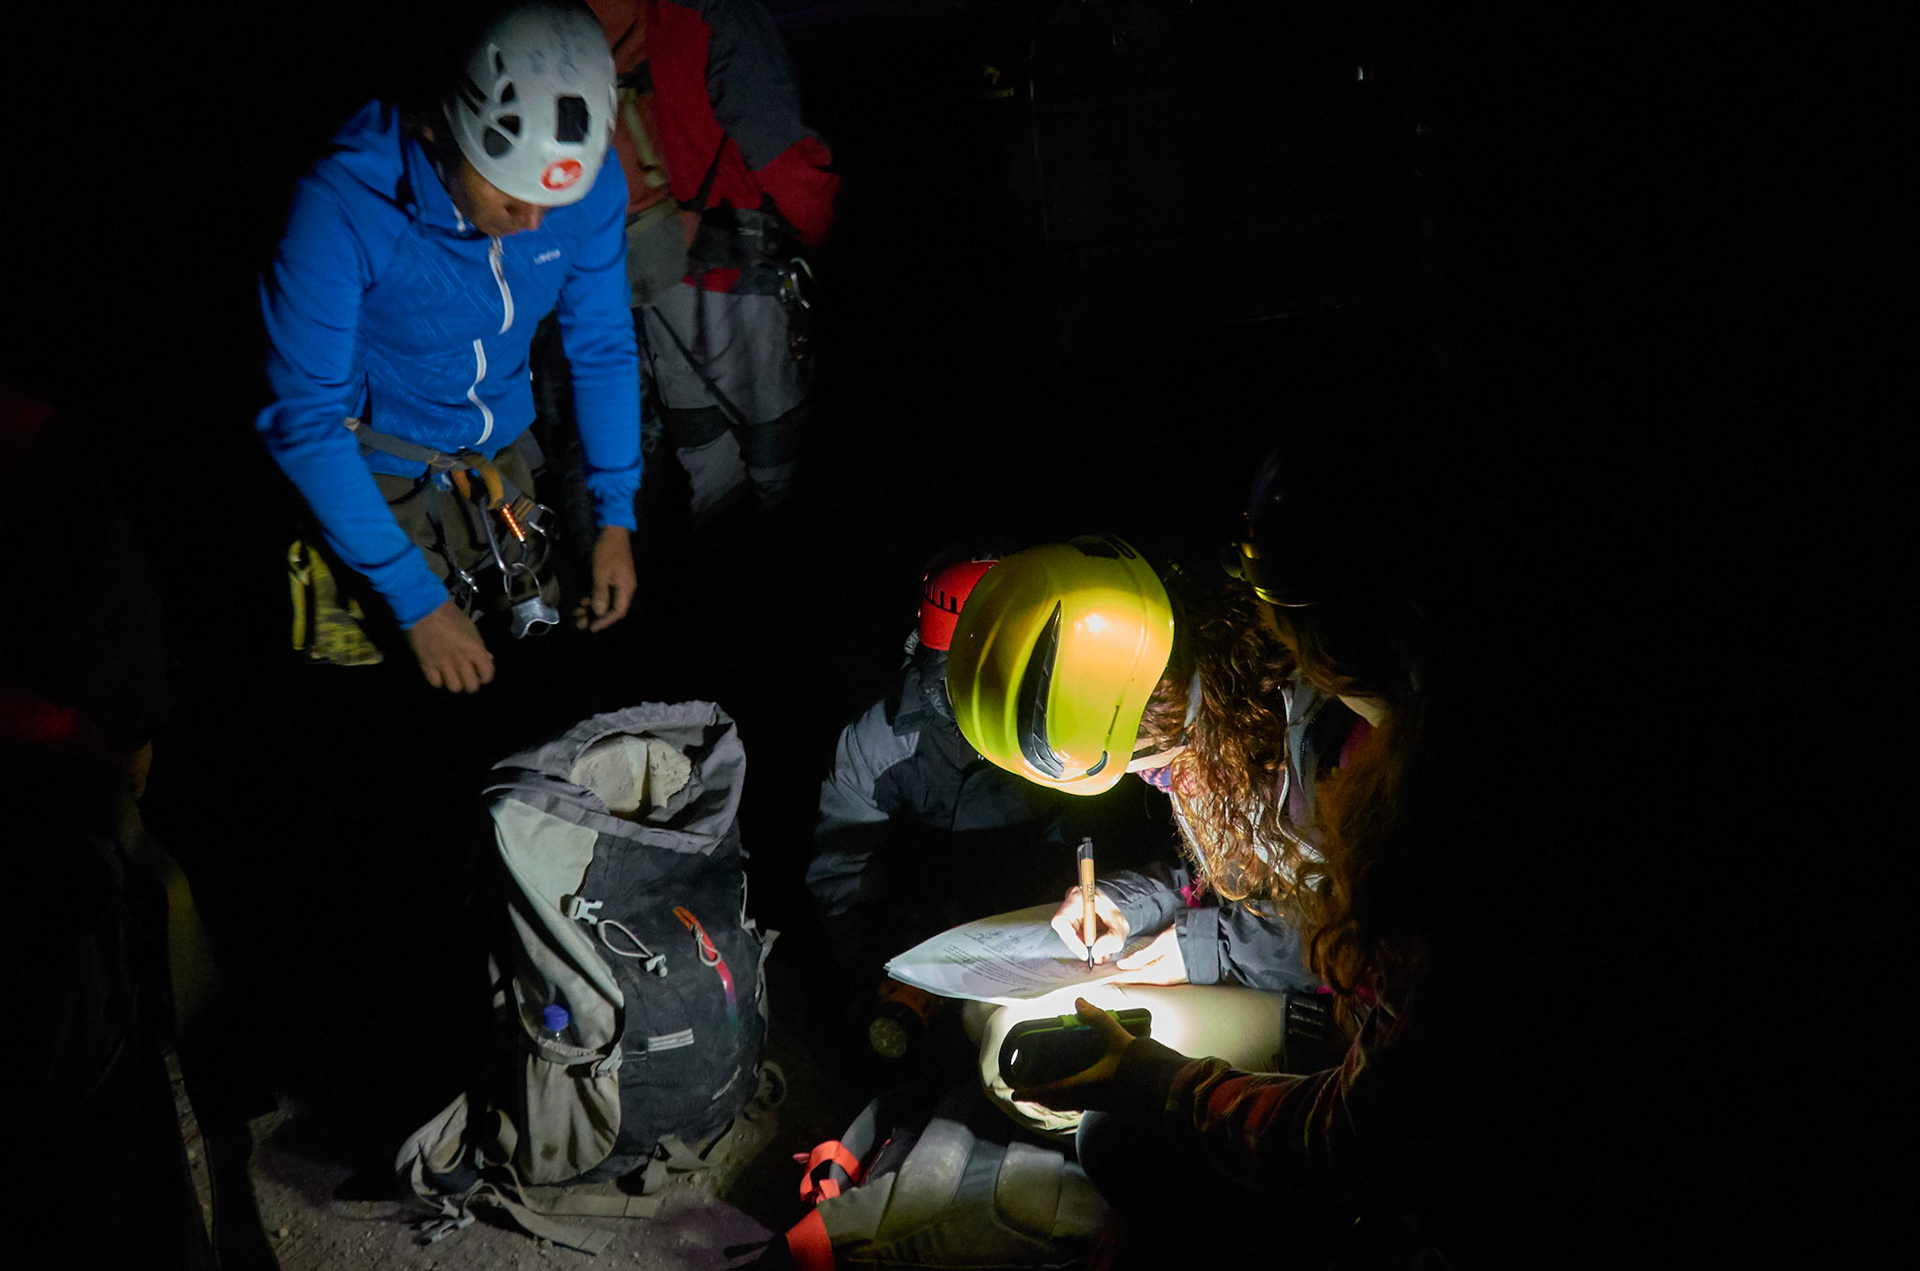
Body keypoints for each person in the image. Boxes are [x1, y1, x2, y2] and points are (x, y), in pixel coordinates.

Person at [256, 1, 642, 694]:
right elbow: (305, 421)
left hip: (497, 456)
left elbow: (604, 343)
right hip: (377, 473)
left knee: (534, 663)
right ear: (441, 126)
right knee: (422, 682)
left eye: (553, 200)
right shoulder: (345, 204)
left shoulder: (586, 188)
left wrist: (616, 514)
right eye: (510, 195)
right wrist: (416, 600)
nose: (533, 223)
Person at [587, 0, 839, 525]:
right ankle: (777, 558)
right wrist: (822, 234)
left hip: (649, 267)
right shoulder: (716, 11)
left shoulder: (587, 18)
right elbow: (781, 152)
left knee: (704, 458)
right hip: (739, 270)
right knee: (777, 460)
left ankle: (719, 560)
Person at [805, 553, 1078, 1001]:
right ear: (936, 664)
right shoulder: (881, 741)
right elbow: (843, 873)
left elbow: (1088, 837)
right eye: (968, 676)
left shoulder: (1066, 728)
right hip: (924, 927)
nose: (989, 696)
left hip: (1037, 919)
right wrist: (876, 969)